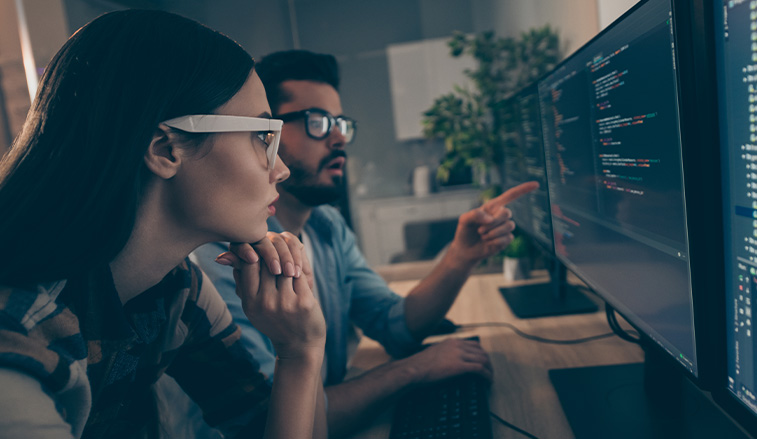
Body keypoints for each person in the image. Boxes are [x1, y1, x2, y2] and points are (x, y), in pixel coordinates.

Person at [0, 11, 328, 439]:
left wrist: (298, 350)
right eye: (263, 136)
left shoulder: (176, 290)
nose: (280, 169)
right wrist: (301, 354)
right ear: (165, 149)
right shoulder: (18, 335)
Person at [192, 49, 538, 437]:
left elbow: (396, 326)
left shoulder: (326, 226)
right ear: (266, 132)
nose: (339, 137)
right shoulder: (223, 261)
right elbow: (274, 423)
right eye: (319, 122)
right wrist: (415, 370)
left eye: (340, 122)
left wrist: (460, 256)